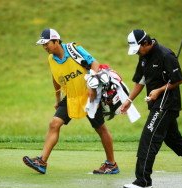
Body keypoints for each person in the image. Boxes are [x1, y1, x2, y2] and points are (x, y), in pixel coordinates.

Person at [121, 29, 182, 188]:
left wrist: (158, 90)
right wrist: (129, 100)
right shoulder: (143, 57)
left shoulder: (166, 55)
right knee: (173, 141)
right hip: (157, 104)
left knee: (148, 138)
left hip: (167, 104)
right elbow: (141, 80)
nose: (138, 53)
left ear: (145, 43)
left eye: (138, 49)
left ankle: (143, 181)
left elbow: (179, 79)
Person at [23, 28, 119, 175]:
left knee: (100, 129)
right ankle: (42, 162)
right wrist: (58, 99)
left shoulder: (74, 50)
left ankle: (111, 164)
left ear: (56, 41)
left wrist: (92, 88)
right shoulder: (51, 59)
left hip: (89, 96)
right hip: (71, 97)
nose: (44, 47)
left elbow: (95, 64)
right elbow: (56, 78)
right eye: (43, 45)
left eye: (46, 43)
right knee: (54, 123)